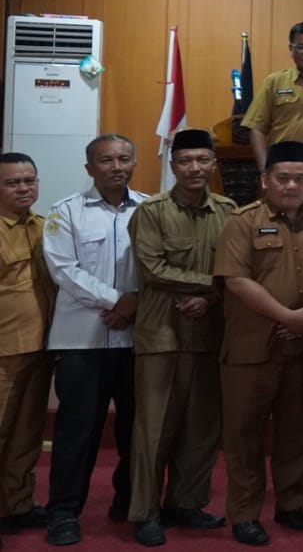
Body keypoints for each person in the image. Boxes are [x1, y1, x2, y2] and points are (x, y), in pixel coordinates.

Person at [125, 130, 234, 546]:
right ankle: (146, 512)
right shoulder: (152, 211)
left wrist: (211, 298)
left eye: (203, 160)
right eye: (186, 161)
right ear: (173, 166)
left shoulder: (228, 211)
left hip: (209, 334)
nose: (195, 168)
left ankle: (186, 503)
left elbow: (237, 267)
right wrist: (213, 285)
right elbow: (152, 269)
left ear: (213, 165)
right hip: (162, 335)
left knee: (201, 427)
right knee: (153, 430)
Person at [213, 141, 303, 546]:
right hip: (251, 349)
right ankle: (244, 513)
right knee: (244, 435)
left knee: (297, 432)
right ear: (265, 180)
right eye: (283, 178)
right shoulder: (242, 222)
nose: (291, 185)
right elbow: (236, 281)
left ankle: (291, 505)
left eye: (299, 178)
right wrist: (286, 317)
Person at [41, 135, 146, 546]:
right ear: (89, 168)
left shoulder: (150, 209)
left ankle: (130, 503)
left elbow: (158, 264)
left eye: (124, 158)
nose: (116, 166)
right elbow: (64, 270)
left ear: (133, 163)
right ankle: (63, 512)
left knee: (137, 431)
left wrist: (135, 303)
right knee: (76, 433)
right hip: (81, 342)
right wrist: (119, 300)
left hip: (137, 341)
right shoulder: (65, 211)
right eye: (106, 160)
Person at [0, 152, 52, 537]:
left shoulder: (45, 226)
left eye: (29, 180)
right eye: (12, 183)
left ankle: (16, 505)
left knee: (27, 433)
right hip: (3, 351)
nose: (23, 188)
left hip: (40, 347)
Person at [241, 22, 303, 206]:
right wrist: (266, 171)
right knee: (278, 221)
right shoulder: (275, 82)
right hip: (281, 175)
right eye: (302, 47)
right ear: (291, 49)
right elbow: (256, 129)